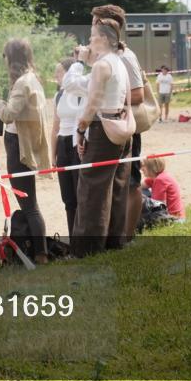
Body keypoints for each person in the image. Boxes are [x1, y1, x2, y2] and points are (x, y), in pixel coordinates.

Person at [0, 38, 51, 264]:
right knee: (30, 203)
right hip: (22, 145)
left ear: (11, 59)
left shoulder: (23, 82)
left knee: (29, 205)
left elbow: (8, 115)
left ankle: (41, 254)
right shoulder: (32, 78)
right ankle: (39, 251)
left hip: (19, 148)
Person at [71, 17, 131, 256]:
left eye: (93, 36)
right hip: (121, 125)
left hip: (102, 128)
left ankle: (87, 249)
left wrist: (81, 129)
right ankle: (114, 242)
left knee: (91, 189)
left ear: (104, 39)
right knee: (116, 187)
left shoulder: (102, 65)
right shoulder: (118, 62)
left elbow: (93, 103)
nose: (90, 40)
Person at [90, 4, 145, 243]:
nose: (91, 26)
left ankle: (126, 236)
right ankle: (115, 237)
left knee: (129, 183)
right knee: (112, 184)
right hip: (107, 125)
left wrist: (107, 97)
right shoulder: (103, 56)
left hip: (123, 125)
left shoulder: (126, 56)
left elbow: (138, 95)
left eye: (94, 22)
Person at [53, 56, 85, 238]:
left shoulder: (81, 93)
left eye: (60, 72)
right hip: (62, 144)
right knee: (68, 198)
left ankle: (84, 238)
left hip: (76, 143)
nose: (57, 76)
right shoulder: (58, 95)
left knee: (80, 195)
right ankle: (73, 240)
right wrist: (53, 154)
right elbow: (54, 127)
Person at [140, 156, 184, 222]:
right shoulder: (155, 176)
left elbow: (158, 205)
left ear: (151, 168)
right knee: (141, 192)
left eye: (144, 166)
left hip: (174, 218)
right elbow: (139, 187)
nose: (141, 169)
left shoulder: (160, 180)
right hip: (174, 216)